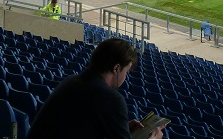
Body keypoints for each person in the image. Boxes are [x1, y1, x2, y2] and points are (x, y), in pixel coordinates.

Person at [27, 38, 165, 139]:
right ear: (116, 68)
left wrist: (120, 128)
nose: (125, 77)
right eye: (126, 72)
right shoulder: (111, 98)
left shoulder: (69, 81)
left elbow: (77, 127)